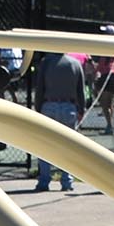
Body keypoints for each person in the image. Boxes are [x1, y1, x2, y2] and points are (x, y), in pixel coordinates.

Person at [34, 51, 86, 192]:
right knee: (68, 145)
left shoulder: (46, 62)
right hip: (69, 106)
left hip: (49, 105)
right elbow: (80, 89)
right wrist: (82, 108)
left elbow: (40, 88)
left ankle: (44, 181)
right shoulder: (75, 63)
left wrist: (38, 108)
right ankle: (66, 181)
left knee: (45, 145)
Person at [91, 25, 114, 133]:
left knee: (104, 101)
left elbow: (104, 62)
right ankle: (109, 124)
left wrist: (96, 69)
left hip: (108, 74)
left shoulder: (107, 45)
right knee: (107, 101)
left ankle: (109, 125)